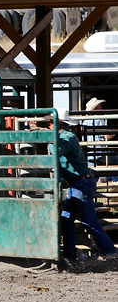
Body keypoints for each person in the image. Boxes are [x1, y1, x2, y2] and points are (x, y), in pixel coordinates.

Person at [31, 108, 116, 264]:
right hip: (78, 183)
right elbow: (47, 148)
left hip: (80, 183)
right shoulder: (64, 136)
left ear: (58, 123)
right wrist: (36, 135)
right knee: (67, 219)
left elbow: (54, 150)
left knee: (88, 221)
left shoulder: (67, 137)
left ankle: (111, 253)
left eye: (51, 122)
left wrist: (49, 136)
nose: (49, 125)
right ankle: (70, 255)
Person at [83, 98, 106, 167]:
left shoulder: (85, 121)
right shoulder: (99, 119)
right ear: (97, 107)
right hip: (99, 154)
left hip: (89, 154)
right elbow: (106, 136)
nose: (102, 107)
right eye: (100, 105)